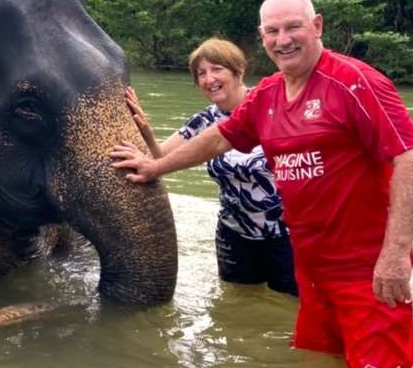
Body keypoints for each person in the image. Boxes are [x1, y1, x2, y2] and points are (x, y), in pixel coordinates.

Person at [111, 0, 413, 368]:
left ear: (317, 26)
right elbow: (218, 138)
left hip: (366, 270)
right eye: (273, 31)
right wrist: (155, 166)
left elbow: (412, 162)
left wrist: (397, 254)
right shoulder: (268, 95)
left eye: (293, 26)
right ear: (262, 38)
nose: (284, 39)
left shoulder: (355, 82)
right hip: (310, 267)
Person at [125, 38, 296, 296]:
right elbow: (161, 157)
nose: (209, 79)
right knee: (238, 306)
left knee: (290, 305)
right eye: (201, 73)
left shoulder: (272, 105)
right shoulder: (204, 119)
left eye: (217, 69)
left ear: (238, 70)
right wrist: (146, 129)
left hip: (285, 234)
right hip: (234, 232)